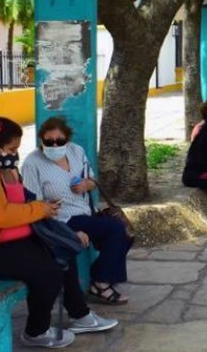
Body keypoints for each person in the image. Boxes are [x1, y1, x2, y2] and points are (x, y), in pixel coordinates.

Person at [0, 113, 117, 349]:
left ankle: (80, 315)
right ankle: (36, 331)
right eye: (12, 148)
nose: (15, 153)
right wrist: (39, 209)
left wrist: (11, 175)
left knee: (62, 248)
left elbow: (16, 201)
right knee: (48, 271)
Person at [22, 117, 132, 306]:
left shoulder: (76, 151)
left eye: (60, 140)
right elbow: (33, 203)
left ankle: (104, 275)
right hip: (61, 218)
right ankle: (100, 283)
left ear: (67, 139)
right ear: (42, 140)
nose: (55, 145)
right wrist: (65, 229)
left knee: (125, 231)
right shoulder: (33, 162)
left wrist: (86, 185)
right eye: (49, 141)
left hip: (85, 212)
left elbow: (91, 180)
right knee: (114, 229)